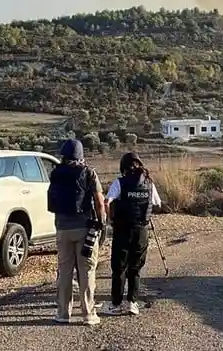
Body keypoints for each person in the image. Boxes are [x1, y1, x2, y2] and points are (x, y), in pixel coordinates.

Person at [47, 139, 107, 325]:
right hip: (84, 228)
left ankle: (63, 314)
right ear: (81, 155)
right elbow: (98, 201)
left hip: (62, 228)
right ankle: (89, 314)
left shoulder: (55, 173)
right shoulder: (88, 172)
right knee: (87, 269)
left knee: (64, 271)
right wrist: (102, 223)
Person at [101, 152, 162, 316]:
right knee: (135, 268)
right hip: (141, 230)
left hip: (122, 230)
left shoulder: (119, 183)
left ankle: (116, 304)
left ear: (123, 167)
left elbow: (107, 201)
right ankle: (132, 303)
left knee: (119, 268)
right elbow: (157, 203)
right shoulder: (149, 183)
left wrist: (110, 219)